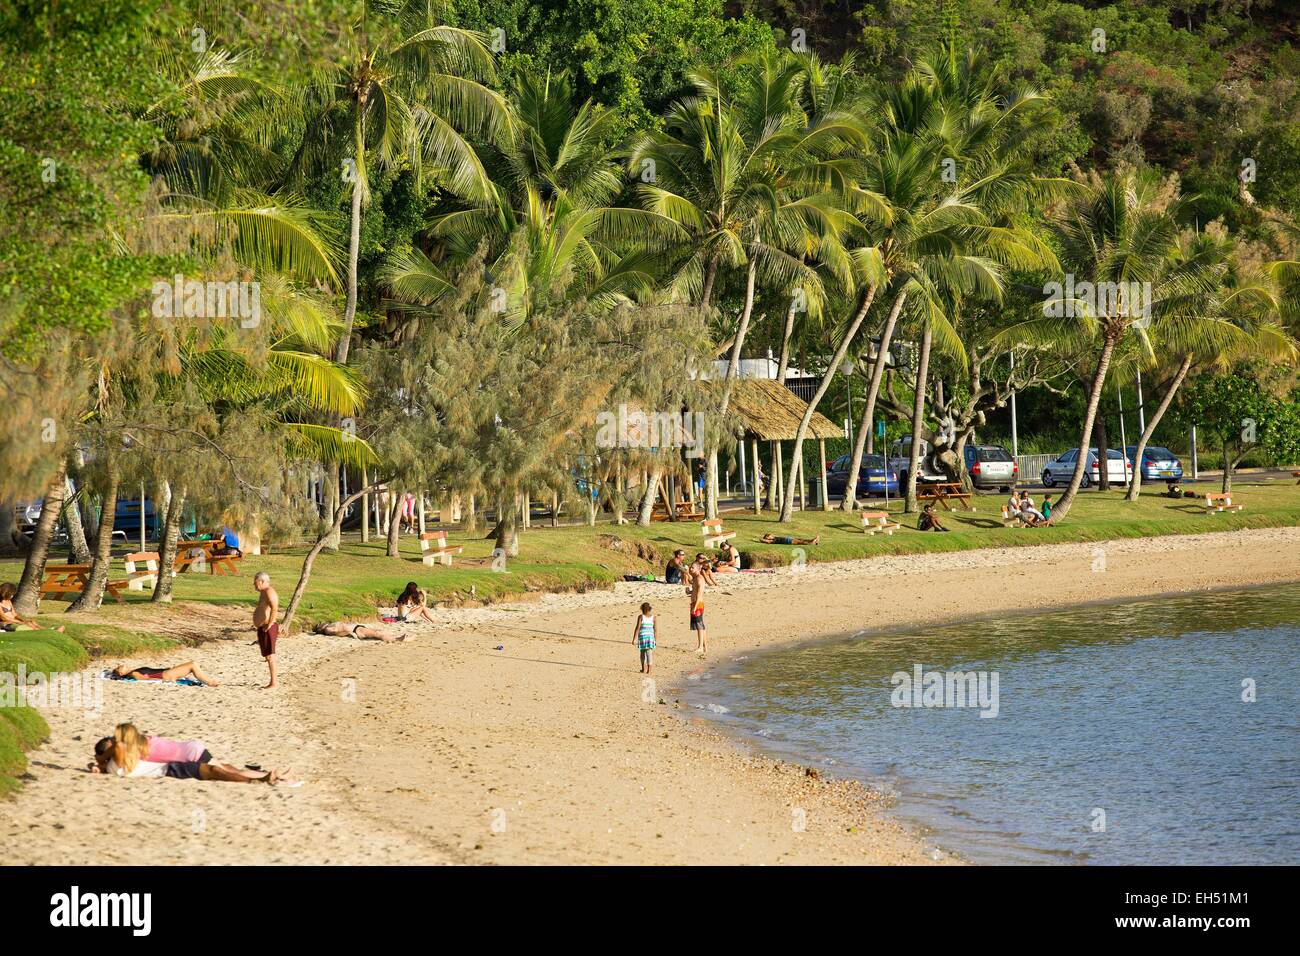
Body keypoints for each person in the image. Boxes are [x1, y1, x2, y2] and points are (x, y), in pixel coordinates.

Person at [91, 723, 297, 785]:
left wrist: (100, 760)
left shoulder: (135, 751)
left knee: (226, 770)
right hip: (192, 749)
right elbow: (119, 752)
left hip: (190, 755)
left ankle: (268, 777)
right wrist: (100, 764)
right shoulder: (141, 743)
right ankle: (273, 775)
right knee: (230, 768)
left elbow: (118, 751)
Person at [0, 582, 64, 632]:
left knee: (32, 622)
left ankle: (50, 631)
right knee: (29, 626)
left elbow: (14, 614)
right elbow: (5, 618)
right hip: (5, 624)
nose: (12, 596)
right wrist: (21, 622)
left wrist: (23, 619)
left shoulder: (8, 601)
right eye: (11, 594)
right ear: (6, 592)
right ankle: (48, 632)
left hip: (13, 621)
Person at [252, 571, 279, 690]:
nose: (254, 584)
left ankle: (273, 683)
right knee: (268, 656)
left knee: (270, 656)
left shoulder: (269, 592)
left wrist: (270, 624)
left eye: (255, 582)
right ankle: (272, 682)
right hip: (262, 628)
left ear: (262, 581)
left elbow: (275, 608)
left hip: (268, 628)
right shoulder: (263, 592)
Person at [687, 554, 716, 656]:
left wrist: (694, 608)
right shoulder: (694, 578)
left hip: (698, 604)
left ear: (698, 569)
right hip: (695, 603)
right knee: (701, 625)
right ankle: (704, 646)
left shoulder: (699, 579)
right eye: (690, 567)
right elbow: (695, 592)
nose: (690, 569)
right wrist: (689, 592)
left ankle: (700, 647)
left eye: (692, 567)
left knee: (699, 626)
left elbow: (699, 596)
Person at [109, 661, 221, 686]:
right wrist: (163, 680)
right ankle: (209, 682)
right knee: (193, 664)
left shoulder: (134, 671)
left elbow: (151, 672)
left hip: (166, 672)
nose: (121, 665)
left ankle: (209, 681)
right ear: (121, 673)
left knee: (192, 665)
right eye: (119, 667)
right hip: (166, 676)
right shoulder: (133, 674)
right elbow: (145, 679)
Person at [314, 620, 413, 643]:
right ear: (320, 629)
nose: (322, 623)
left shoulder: (329, 626)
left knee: (378, 631)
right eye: (320, 625)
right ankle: (397, 639)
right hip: (356, 630)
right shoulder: (327, 629)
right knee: (377, 633)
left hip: (357, 628)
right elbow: (338, 632)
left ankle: (396, 637)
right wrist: (349, 633)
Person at [632, 601, 657, 674]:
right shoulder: (654, 618)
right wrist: (655, 640)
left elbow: (637, 628)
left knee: (642, 653)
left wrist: (634, 639)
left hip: (642, 637)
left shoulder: (641, 617)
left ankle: (643, 669)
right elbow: (655, 629)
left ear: (642, 609)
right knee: (649, 653)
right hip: (650, 638)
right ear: (650, 609)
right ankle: (649, 670)